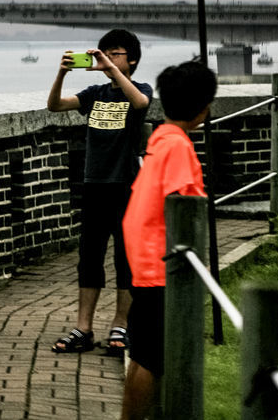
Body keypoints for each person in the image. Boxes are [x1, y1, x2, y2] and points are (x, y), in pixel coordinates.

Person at [119, 60, 216, 420]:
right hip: (163, 266)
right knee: (152, 359)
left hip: (145, 260)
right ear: (204, 107)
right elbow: (181, 203)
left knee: (143, 353)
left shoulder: (160, 138)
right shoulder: (177, 146)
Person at [47, 28, 152, 356]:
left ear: (131, 59)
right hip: (94, 185)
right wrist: (62, 73)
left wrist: (114, 71)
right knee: (89, 258)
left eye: (115, 53)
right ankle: (84, 327)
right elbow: (54, 106)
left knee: (125, 259)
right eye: (102, 53)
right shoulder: (95, 94)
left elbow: (141, 102)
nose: (105, 58)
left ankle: (121, 325)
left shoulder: (138, 89)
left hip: (126, 186)